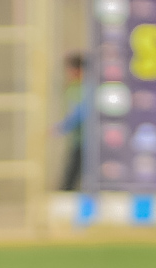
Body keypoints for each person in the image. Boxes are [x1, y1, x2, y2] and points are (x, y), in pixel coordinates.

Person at [58, 54, 86, 192]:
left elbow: (80, 113)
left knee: (72, 174)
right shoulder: (75, 87)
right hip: (80, 138)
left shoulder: (81, 88)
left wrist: (61, 128)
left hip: (85, 139)